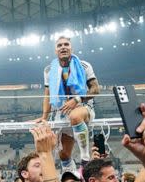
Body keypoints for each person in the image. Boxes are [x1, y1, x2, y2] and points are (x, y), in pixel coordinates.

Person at [39, 36, 100, 169]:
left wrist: (77, 99)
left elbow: (95, 89)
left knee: (75, 116)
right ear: (55, 51)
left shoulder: (84, 65)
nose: (63, 47)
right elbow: (47, 95)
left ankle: (85, 159)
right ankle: (70, 179)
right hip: (62, 112)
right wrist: (44, 117)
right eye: (59, 45)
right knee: (64, 155)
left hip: (83, 107)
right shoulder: (49, 70)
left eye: (66, 44)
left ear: (71, 48)